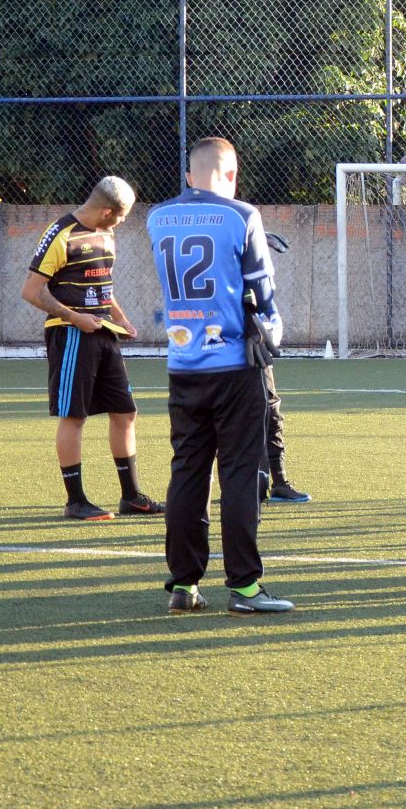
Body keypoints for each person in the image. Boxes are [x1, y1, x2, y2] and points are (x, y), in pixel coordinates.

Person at [147, 137, 293, 616]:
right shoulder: (242, 215)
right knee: (240, 474)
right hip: (233, 365)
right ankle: (245, 588)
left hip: (182, 364)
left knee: (187, 471)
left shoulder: (158, 217)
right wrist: (271, 328)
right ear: (231, 175)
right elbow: (263, 296)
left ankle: (183, 584)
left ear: (190, 174)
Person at [19, 175, 161, 523]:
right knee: (74, 416)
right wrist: (74, 317)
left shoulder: (106, 234)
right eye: (123, 215)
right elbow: (32, 291)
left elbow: (102, 287)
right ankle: (76, 501)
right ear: (108, 210)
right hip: (70, 336)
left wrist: (122, 320)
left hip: (104, 334)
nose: (124, 222)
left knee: (126, 412)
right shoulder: (61, 234)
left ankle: (132, 497)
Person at [255, 231, 312, 507]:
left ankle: (276, 481)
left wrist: (271, 328)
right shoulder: (235, 260)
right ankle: (253, 481)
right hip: (236, 348)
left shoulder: (259, 267)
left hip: (256, 347)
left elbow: (268, 305)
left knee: (270, 410)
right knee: (247, 414)